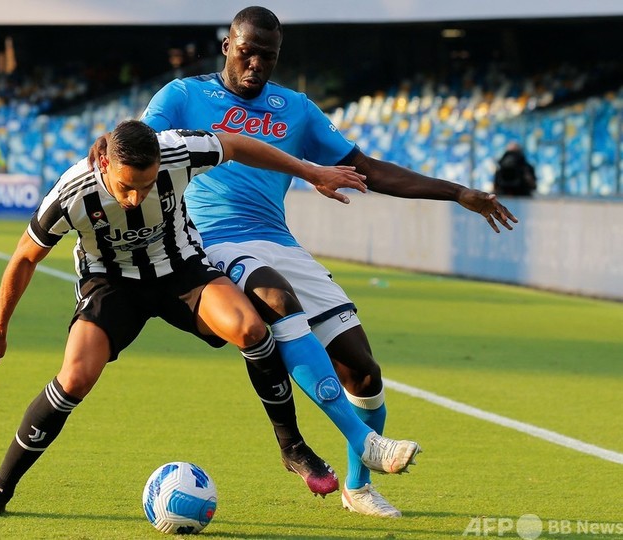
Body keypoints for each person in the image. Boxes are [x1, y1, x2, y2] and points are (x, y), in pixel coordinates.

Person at [134, 6, 518, 518]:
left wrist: (457, 192)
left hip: (280, 242)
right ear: (227, 46)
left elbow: (367, 169)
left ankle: (358, 489)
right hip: (212, 240)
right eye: (247, 52)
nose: (256, 64)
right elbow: (138, 145)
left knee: (363, 371)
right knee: (274, 297)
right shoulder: (183, 96)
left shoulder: (294, 108)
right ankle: (364, 441)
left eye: (268, 56)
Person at [0, 120, 421, 518]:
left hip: (180, 269)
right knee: (75, 377)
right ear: (103, 164)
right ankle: (0, 487)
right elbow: (24, 257)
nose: (136, 197)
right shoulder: (72, 191)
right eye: (126, 187)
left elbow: (237, 145)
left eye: (146, 185)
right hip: (111, 283)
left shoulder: (179, 150)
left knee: (251, 329)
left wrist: (310, 171)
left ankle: (292, 447)